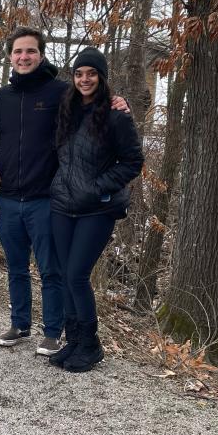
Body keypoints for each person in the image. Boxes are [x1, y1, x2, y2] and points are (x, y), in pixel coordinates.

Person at [48, 47, 143, 372]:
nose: (84, 79)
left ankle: (90, 345)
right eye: (79, 73)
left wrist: (97, 187)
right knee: (64, 274)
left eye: (91, 73)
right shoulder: (67, 111)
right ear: (73, 78)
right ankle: (73, 341)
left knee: (77, 275)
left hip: (96, 210)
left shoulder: (116, 115)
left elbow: (133, 162)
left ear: (101, 78)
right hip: (62, 206)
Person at [0, 27, 67, 355]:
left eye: (30, 51)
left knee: (51, 268)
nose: (24, 57)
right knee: (16, 267)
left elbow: (92, 111)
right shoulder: (2, 98)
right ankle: (19, 324)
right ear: (10, 57)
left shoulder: (61, 92)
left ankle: (52, 331)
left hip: (45, 200)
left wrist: (116, 101)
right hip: (8, 198)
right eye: (18, 52)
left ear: (41, 54)